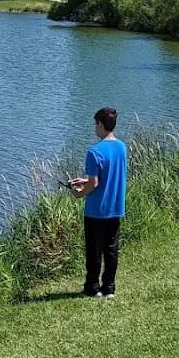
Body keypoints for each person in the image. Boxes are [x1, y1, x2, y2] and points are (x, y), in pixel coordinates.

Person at [70, 107, 128, 299]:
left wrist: (80, 193)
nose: (95, 128)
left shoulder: (94, 152)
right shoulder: (121, 147)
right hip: (115, 208)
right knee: (111, 249)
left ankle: (92, 287)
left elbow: (94, 184)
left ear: (101, 125)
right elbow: (106, 177)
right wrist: (84, 180)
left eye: (96, 124)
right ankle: (109, 287)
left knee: (94, 251)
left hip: (96, 210)